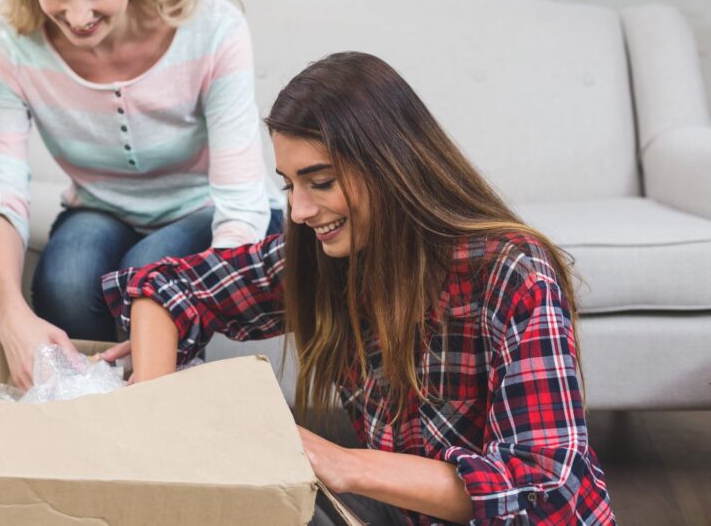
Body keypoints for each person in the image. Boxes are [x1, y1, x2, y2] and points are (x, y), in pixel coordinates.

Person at [100, 52, 616, 525]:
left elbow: (547, 490)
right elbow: (168, 285)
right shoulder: (327, 252)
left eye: (320, 182)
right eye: (288, 184)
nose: (298, 211)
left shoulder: (511, 272)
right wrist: (152, 405)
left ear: (391, 166)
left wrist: (343, 463)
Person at [0, 0, 281, 389]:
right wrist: (10, 315)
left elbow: (240, 196)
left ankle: (154, 400)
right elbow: (2, 195)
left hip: (210, 207)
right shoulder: (4, 46)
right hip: (100, 206)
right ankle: (98, 400)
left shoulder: (212, 27)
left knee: (148, 275)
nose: (78, 15)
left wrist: (187, 299)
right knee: (66, 283)